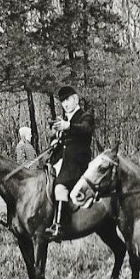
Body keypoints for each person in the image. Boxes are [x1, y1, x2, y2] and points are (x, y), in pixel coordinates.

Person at [45, 85, 95, 241]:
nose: (65, 104)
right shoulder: (64, 119)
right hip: (63, 162)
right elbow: (63, 142)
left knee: (60, 187)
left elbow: (86, 130)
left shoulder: (85, 116)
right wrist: (55, 140)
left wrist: (69, 126)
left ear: (75, 99)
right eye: (62, 102)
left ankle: (59, 226)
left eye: (67, 100)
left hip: (78, 163)